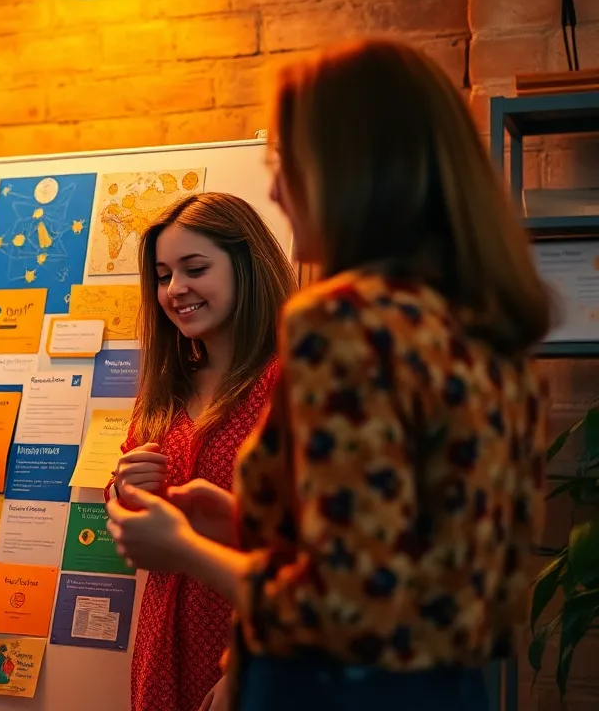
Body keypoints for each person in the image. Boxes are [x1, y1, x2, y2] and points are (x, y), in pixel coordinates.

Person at [106, 39, 551, 711]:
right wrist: (241, 519)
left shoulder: (345, 323)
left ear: (354, 170)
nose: (278, 190)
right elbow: (411, 565)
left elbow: (344, 609)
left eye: (287, 162)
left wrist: (188, 551)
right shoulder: (481, 326)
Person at [105, 192, 294, 711]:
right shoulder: (166, 387)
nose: (175, 290)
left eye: (195, 269)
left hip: (253, 639)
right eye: (163, 275)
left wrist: (244, 666)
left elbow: (311, 542)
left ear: (246, 265)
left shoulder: (289, 383)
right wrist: (124, 488)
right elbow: (121, 506)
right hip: (162, 641)